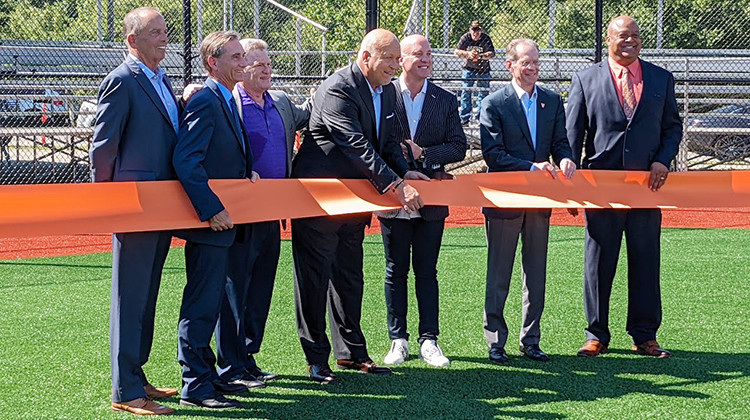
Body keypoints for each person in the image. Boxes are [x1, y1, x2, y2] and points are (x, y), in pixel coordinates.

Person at [291, 28, 427, 385]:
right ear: (366, 56)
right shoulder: (338, 87)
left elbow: (388, 143)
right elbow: (355, 145)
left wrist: (405, 169)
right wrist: (397, 185)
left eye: (399, 59)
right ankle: (316, 360)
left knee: (350, 279)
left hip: (355, 205)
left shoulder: (384, 92)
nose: (396, 66)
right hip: (319, 203)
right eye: (390, 59)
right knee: (314, 282)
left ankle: (351, 353)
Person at [566, 15, 682, 359]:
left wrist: (663, 159)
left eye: (635, 35)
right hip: (600, 190)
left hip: (648, 188)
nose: (629, 40)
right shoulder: (585, 79)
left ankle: (645, 335)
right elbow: (573, 138)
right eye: (622, 35)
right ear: (608, 39)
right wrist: (570, 191)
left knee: (646, 261)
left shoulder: (661, 78)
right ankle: (596, 334)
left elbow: (672, 127)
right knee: (598, 264)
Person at [90, 7, 181, 416]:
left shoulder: (163, 80)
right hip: (134, 207)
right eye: (156, 32)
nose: (165, 38)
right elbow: (103, 149)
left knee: (145, 296)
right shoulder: (121, 81)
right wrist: (109, 203)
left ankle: (136, 377)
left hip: (162, 206)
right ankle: (125, 390)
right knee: (130, 298)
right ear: (132, 40)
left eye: (166, 31)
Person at [214, 38, 310, 386]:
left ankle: (248, 358)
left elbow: (313, 111)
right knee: (234, 291)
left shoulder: (281, 102)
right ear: (240, 70)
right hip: (238, 214)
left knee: (260, 291)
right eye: (257, 64)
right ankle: (230, 366)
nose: (267, 69)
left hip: (273, 213)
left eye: (268, 63)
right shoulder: (230, 104)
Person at [172, 30, 256, 410]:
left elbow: (224, 154)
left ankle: (208, 377)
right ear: (213, 63)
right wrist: (211, 209)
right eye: (236, 57)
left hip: (225, 222)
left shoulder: (225, 97)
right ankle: (194, 384)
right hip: (210, 225)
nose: (244, 63)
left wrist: (246, 176)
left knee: (213, 301)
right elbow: (186, 160)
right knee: (202, 303)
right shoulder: (207, 100)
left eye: (243, 56)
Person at [480, 38, 576, 364]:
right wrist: (533, 166)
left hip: (540, 201)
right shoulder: (494, 103)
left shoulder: (551, 100)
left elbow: (561, 143)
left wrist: (565, 159)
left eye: (536, 61)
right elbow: (493, 155)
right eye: (526, 62)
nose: (533, 67)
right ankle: (496, 342)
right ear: (510, 65)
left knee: (535, 275)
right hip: (504, 202)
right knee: (499, 275)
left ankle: (531, 340)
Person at [378, 34, 466, 368]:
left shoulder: (445, 99)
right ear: (401, 60)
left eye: (429, 53)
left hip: (432, 198)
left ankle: (429, 339)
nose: (426, 59)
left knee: (426, 270)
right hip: (392, 195)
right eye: (419, 53)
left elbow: (458, 146)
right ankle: (397, 339)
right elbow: (376, 141)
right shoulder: (383, 95)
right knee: (394, 269)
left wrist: (423, 154)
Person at [454, 20, 495, 125]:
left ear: (481, 31)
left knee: (483, 92)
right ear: (470, 30)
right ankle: (465, 116)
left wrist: (480, 56)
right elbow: (456, 51)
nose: (476, 33)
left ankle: (481, 116)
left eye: (478, 30)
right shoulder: (466, 37)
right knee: (466, 92)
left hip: (483, 69)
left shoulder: (485, 38)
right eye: (474, 30)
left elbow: (491, 53)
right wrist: (468, 54)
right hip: (469, 68)